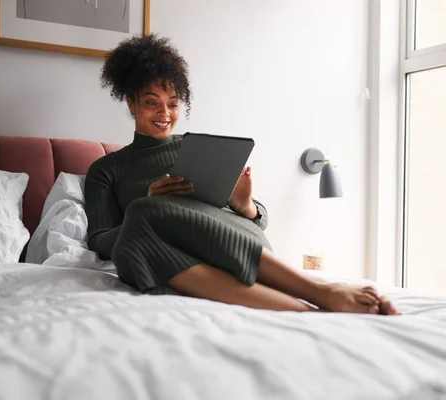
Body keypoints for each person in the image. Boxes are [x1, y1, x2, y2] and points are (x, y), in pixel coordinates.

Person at [85, 34, 399, 315]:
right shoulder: (105, 169)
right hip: (163, 253)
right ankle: (310, 311)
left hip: (230, 241)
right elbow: (100, 241)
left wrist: (244, 204)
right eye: (152, 103)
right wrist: (151, 202)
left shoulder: (198, 148)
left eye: (173, 104)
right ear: (131, 104)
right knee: (136, 231)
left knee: (144, 214)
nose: (165, 114)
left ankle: (320, 292)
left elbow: (258, 220)